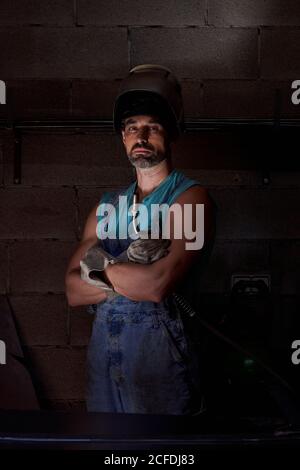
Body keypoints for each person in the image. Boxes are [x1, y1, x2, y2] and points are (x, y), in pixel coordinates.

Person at [65, 64, 216, 415]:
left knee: (160, 450)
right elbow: (72, 291)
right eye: (132, 128)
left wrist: (98, 267)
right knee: (108, 449)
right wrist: (131, 267)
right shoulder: (106, 206)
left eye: (152, 127)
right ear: (122, 137)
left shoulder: (190, 199)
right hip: (103, 357)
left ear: (171, 132)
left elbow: (156, 285)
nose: (141, 137)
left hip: (159, 359)